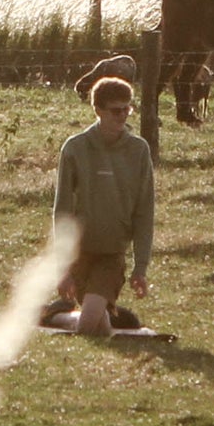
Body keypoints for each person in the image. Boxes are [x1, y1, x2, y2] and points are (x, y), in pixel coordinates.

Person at [49, 75, 156, 334]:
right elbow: (62, 210)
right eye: (116, 111)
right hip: (80, 253)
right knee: (97, 325)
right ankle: (59, 315)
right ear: (98, 110)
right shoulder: (75, 148)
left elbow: (144, 212)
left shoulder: (139, 150)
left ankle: (64, 315)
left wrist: (140, 267)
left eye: (127, 109)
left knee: (88, 325)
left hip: (111, 254)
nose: (123, 116)